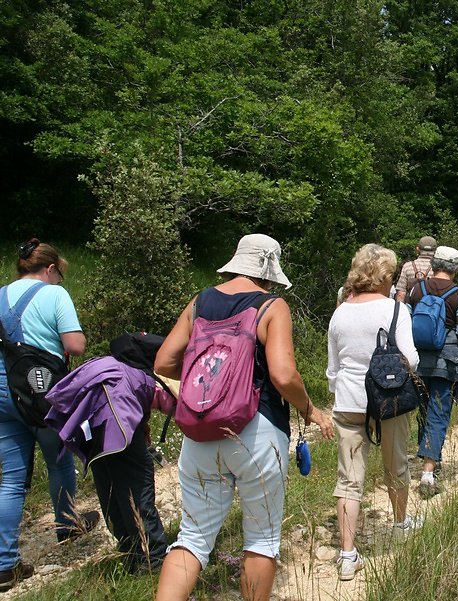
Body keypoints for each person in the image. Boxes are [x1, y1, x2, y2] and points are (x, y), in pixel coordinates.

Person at [153, 234, 334, 601]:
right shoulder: (271, 306)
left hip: (200, 433)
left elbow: (163, 362)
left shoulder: (200, 301)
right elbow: (283, 375)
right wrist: (309, 409)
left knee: (193, 537)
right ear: (269, 270)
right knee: (262, 540)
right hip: (257, 430)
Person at [0, 239, 99, 593]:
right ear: (50, 268)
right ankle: (68, 525)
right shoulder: (54, 294)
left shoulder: (1, 294)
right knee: (58, 462)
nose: (60, 279)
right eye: (60, 273)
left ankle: (5, 564)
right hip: (42, 394)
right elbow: (75, 345)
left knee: (11, 479)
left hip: (3, 392)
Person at [326, 244, 420, 581]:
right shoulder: (394, 311)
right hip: (389, 400)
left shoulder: (340, 311)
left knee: (348, 479)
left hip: (349, 402)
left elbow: (333, 367)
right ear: (386, 276)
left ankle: (347, 554)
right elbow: (410, 359)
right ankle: (399, 523)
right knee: (396, 464)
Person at [45, 355, 172, 573]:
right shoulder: (150, 381)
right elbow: (169, 407)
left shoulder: (112, 368)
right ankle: (155, 557)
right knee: (139, 489)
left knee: (110, 490)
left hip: (92, 425)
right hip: (119, 421)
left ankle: (130, 554)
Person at [404, 246, 458, 494]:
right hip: (446, 362)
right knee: (439, 412)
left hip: (418, 361)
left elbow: (406, 323)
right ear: (456, 268)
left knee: (423, 409)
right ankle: (428, 472)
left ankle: (428, 456)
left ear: (435, 264)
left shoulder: (416, 288)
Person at [394, 235, 437, 303]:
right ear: (435, 250)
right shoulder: (438, 268)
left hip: (410, 308)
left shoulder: (407, 266)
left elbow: (401, 294)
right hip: (431, 309)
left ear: (418, 249)